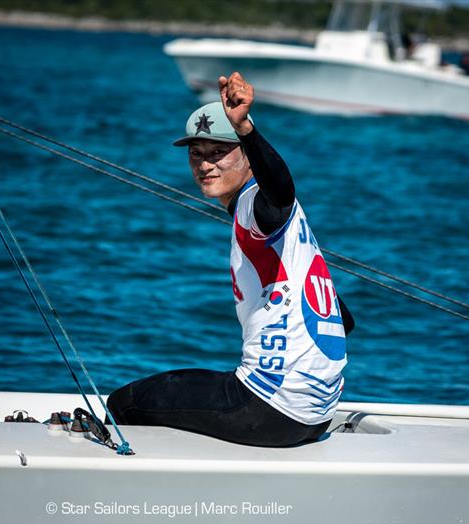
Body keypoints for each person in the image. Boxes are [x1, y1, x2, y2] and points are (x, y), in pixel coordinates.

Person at [106, 73, 353, 447]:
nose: (206, 165)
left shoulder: (257, 206)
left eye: (219, 152)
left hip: (268, 407)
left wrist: (247, 129)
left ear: (248, 157)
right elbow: (342, 320)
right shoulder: (292, 229)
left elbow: (281, 191)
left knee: (124, 403)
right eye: (197, 154)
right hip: (317, 414)